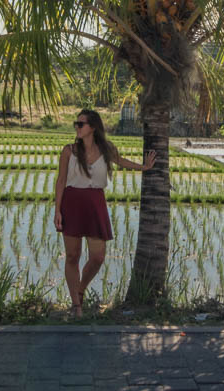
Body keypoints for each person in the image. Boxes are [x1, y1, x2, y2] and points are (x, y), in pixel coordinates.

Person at [53, 108, 155, 316]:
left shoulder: (106, 149)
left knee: (98, 257)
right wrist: (57, 211)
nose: (77, 127)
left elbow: (122, 161)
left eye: (81, 124)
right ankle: (76, 305)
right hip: (72, 202)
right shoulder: (69, 151)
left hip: (95, 203)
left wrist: (144, 167)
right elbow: (61, 181)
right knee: (72, 255)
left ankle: (80, 289)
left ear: (92, 127)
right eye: (76, 124)